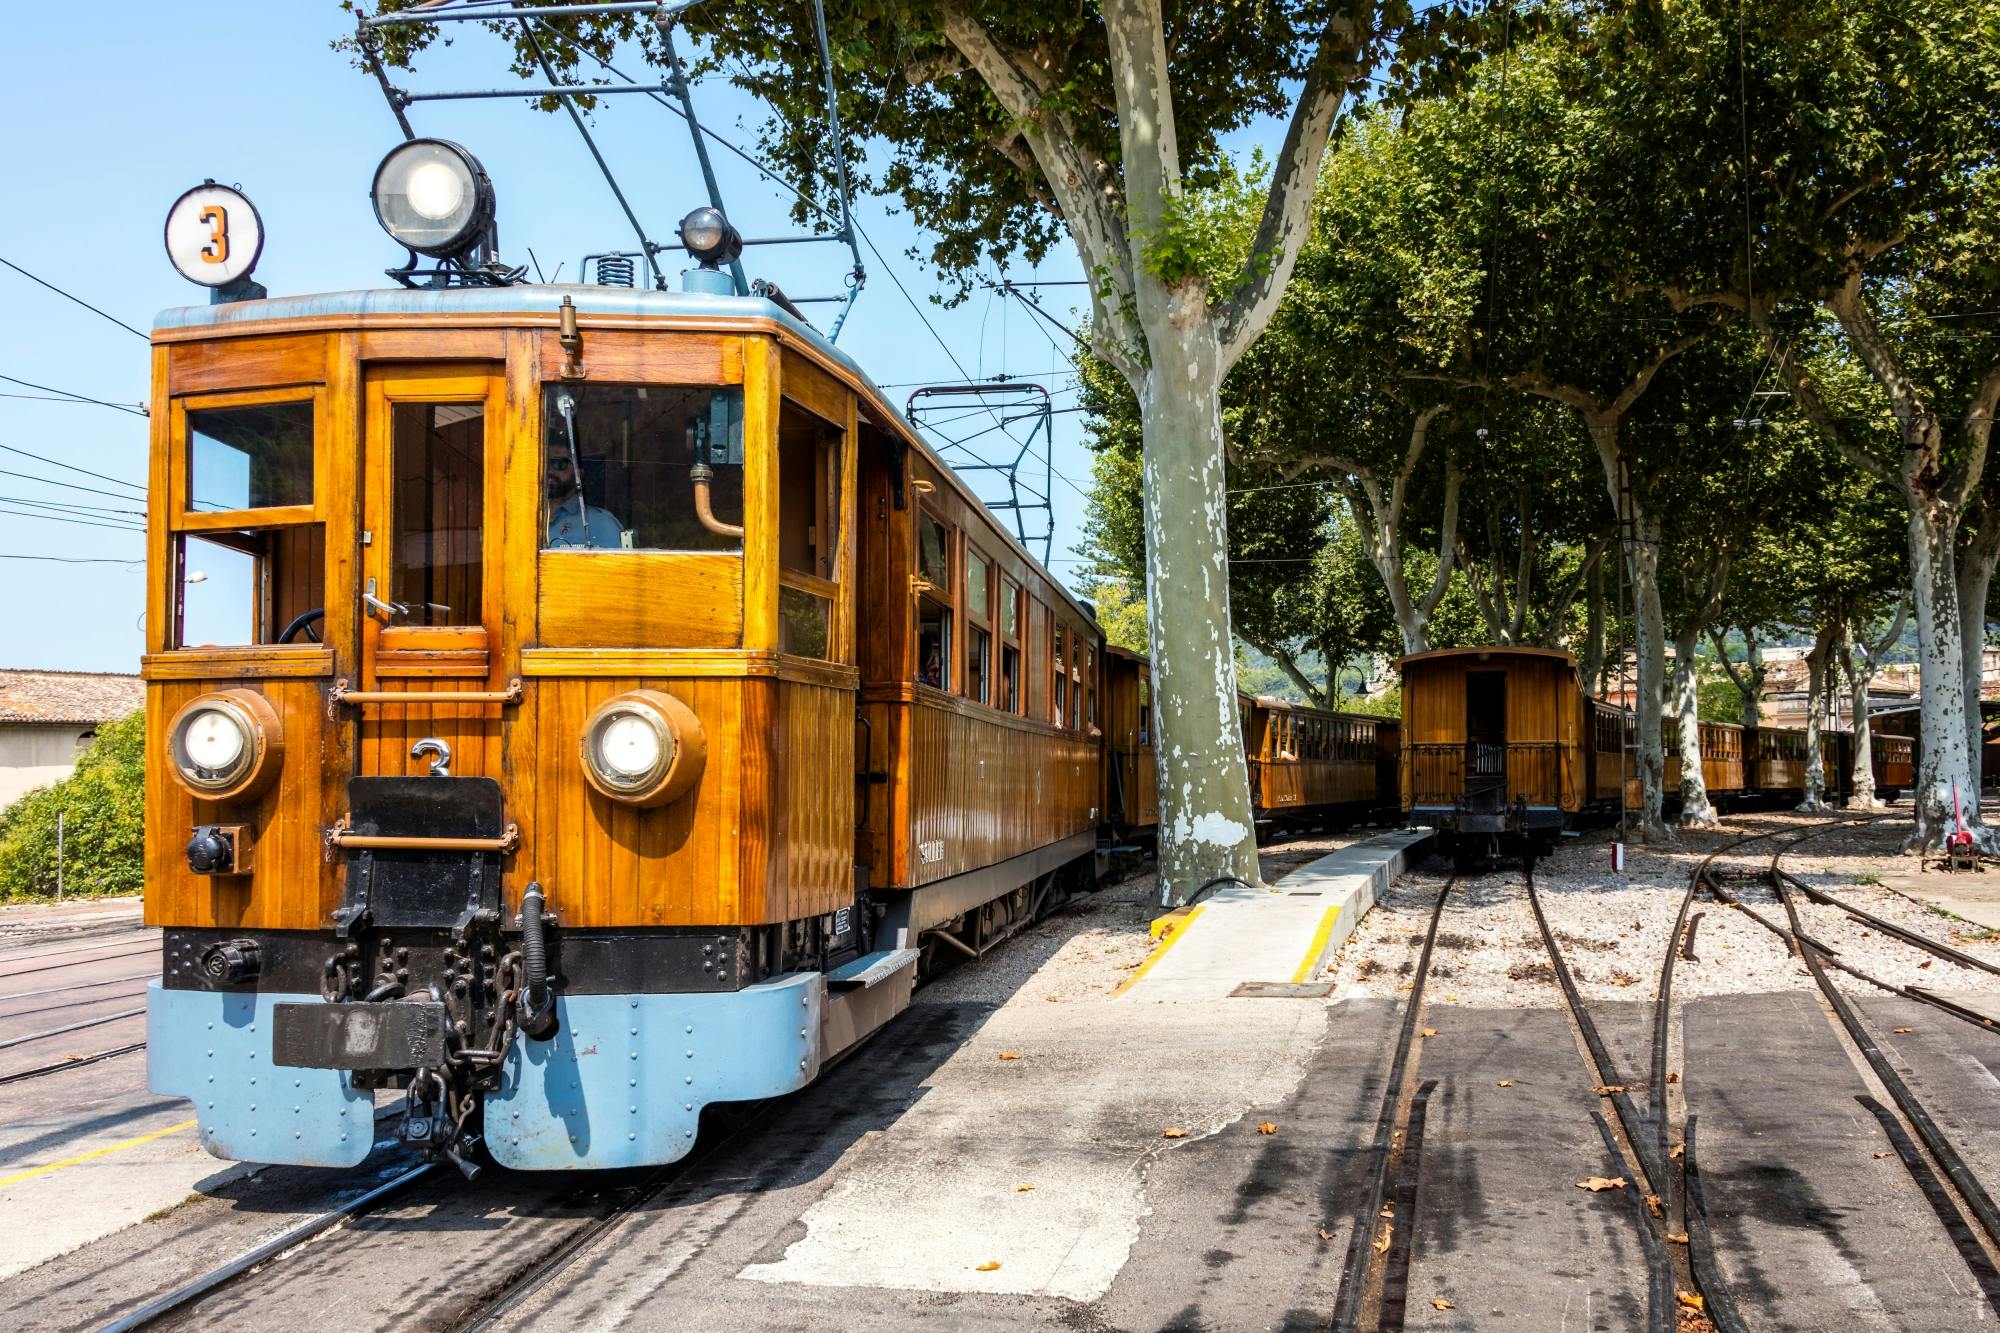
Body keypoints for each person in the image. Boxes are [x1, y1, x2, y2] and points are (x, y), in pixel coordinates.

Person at [545, 451, 625, 548]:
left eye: (559, 463)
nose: (549, 471)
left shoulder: (601, 523)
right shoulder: (525, 519)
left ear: (579, 474)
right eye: (544, 463)